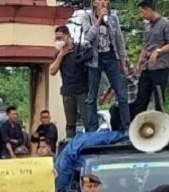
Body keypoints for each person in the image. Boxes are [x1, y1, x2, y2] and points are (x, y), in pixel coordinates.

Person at [82, 0, 130, 132]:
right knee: (92, 96)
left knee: (121, 92)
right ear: (94, 3)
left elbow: (119, 41)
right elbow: (88, 38)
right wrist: (98, 21)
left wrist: (123, 63)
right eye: (99, 0)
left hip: (111, 56)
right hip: (95, 59)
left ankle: (126, 126)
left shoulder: (113, 18)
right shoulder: (87, 17)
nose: (102, 2)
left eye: (104, 0)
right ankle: (92, 129)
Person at [133, 0, 169, 115]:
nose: (141, 15)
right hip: (146, 68)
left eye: (142, 12)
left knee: (159, 99)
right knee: (141, 98)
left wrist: (158, 51)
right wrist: (139, 63)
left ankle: (161, 124)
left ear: (149, 10)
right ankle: (137, 125)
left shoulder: (166, 24)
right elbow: (145, 45)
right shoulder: (147, 26)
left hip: (160, 67)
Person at [50, 25, 91, 137]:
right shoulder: (59, 54)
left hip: (82, 90)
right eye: (56, 38)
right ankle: (70, 144)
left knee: (87, 121)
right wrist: (61, 55)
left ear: (68, 37)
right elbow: (52, 71)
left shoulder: (80, 50)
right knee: (70, 123)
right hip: (67, 92)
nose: (58, 41)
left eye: (60, 38)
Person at [100, 62, 139, 131]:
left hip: (131, 102)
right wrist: (104, 96)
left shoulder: (129, 69)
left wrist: (124, 73)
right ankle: (116, 132)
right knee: (113, 110)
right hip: (120, 104)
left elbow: (134, 80)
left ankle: (125, 129)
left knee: (116, 110)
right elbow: (112, 85)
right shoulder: (114, 71)